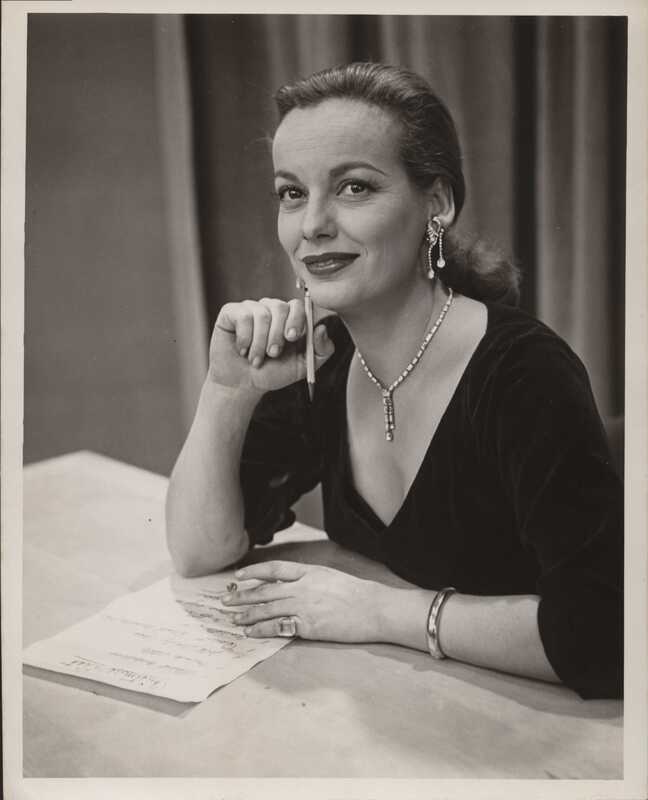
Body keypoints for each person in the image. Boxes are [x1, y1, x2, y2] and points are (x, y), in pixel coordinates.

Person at [165, 62, 623, 699]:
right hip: (406, 702)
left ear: (436, 203)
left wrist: (378, 611)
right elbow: (199, 551)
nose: (312, 224)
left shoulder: (525, 375)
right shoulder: (320, 360)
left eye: (353, 188)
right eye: (291, 193)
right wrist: (227, 392)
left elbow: (605, 637)